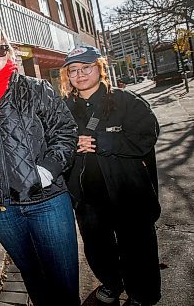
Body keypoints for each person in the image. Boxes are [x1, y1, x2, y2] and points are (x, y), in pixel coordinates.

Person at [0, 25, 80, 306]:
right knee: (33, 277)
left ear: (9, 53)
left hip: (47, 201)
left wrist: (46, 171)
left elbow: (65, 132)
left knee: (63, 281)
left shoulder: (37, 89)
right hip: (0, 210)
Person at [60, 46, 161, 306]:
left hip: (128, 192)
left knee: (138, 248)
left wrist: (103, 140)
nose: (80, 74)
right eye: (74, 70)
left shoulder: (126, 100)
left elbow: (146, 137)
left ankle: (142, 294)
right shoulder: (63, 108)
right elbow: (53, 143)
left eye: (86, 67)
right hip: (88, 199)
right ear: (68, 76)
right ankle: (112, 283)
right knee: (97, 249)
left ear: (100, 68)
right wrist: (71, 146)